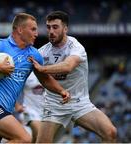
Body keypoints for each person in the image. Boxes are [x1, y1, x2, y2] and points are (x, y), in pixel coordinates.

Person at [0, 12, 70, 143]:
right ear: (20, 30)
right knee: (24, 139)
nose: (36, 34)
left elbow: (45, 79)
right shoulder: (1, 45)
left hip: (5, 110)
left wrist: (61, 91)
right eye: (33, 29)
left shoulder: (34, 54)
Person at [30, 11, 117, 143]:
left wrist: (43, 68)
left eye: (55, 27)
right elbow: (45, 80)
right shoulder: (42, 52)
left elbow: (68, 66)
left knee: (110, 132)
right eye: (48, 27)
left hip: (79, 103)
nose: (51, 31)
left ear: (65, 29)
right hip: (54, 105)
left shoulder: (76, 47)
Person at [21, 72, 45, 142]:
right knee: (39, 133)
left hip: (46, 111)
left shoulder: (48, 70)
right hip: (29, 109)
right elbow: (13, 88)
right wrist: (16, 105)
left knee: (37, 138)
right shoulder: (26, 72)